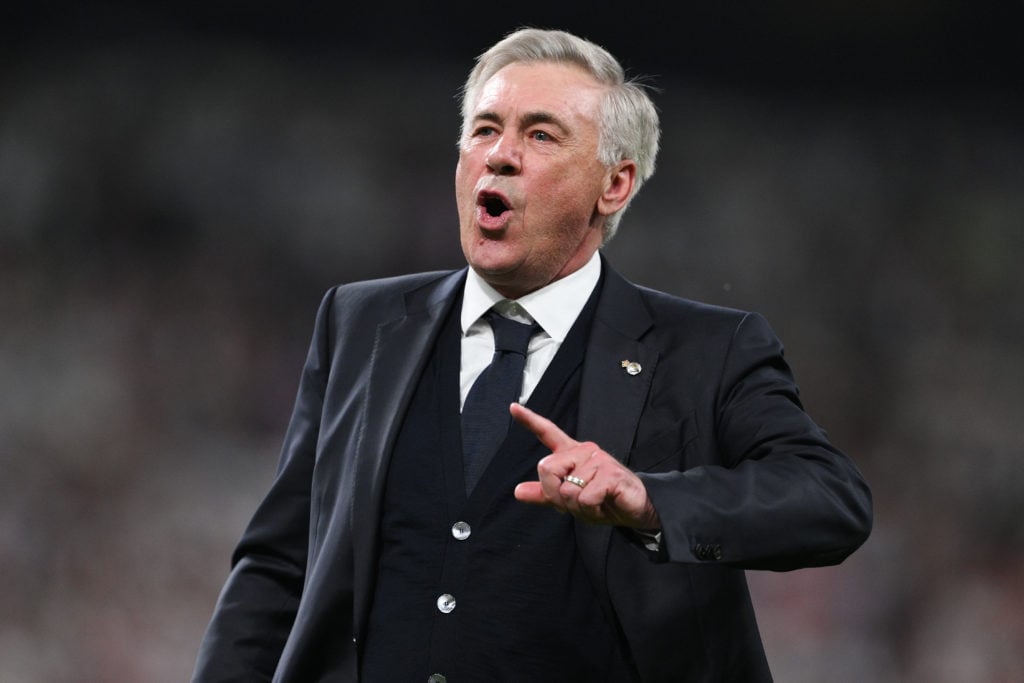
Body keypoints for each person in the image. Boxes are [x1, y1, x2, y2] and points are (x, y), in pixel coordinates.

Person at [192, 27, 872, 683]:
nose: (500, 154)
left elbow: (830, 499)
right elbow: (280, 565)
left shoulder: (705, 351)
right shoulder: (361, 322)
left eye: (540, 135)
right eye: (484, 129)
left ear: (614, 185)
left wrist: (650, 501)